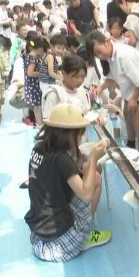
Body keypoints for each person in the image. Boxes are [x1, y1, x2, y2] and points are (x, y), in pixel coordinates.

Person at [24, 103, 112, 262]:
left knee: (87, 173)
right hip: (61, 244)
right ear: (68, 135)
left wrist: (79, 162)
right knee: (95, 179)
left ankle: (80, 230)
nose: (80, 138)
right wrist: (93, 158)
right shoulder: (61, 159)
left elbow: (54, 178)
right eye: (79, 134)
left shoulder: (39, 148)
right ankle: (84, 235)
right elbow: (86, 195)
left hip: (39, 235)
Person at [88, 32, 139, 169]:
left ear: (107, 42)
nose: (100, 57)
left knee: (137, 121)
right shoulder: (110, 56)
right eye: (97, 56)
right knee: (128, 116)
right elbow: (112, 78)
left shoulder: (124, 56)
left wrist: (134, 99)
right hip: (131, 87)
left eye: (100, 52)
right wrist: (101, 88)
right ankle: (131, 147)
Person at [24, 32, 46, 126]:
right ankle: (40, 124)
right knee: (38, 107)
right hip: (34, 87)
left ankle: (39, 124)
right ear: (40, 49)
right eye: (43, 51)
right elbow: (30, 73)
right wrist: (42, 73)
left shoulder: (31, 56)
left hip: (33, 86)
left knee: (38, 106)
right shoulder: (32, 58)